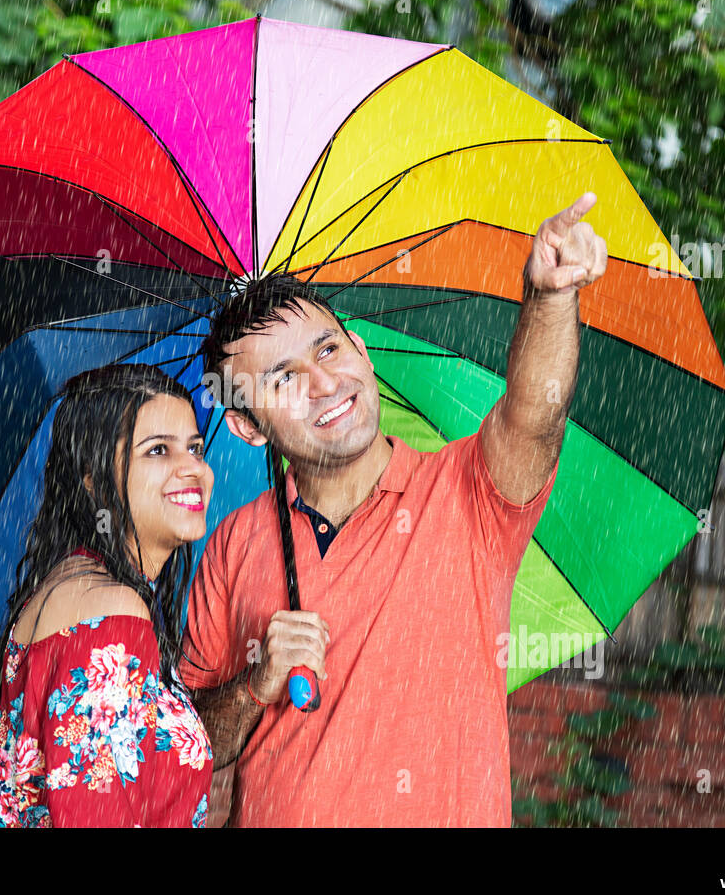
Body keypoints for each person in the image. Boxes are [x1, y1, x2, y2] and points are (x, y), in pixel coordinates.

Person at [180, 193, 608, 826]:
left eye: (327, 351)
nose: (324, 384)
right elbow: (188, 749)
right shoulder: (234, 543)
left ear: (360, 349)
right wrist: (254, 685)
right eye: (283, 379)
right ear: (247, 426)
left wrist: (549, 299)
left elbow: (536, 415)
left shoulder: (469, 493)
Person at [0, 363, 215, 827]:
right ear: (93, 480)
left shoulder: (76, 586)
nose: (192, 468)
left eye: (195, 448)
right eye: (157, 450)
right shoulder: (113, 612)